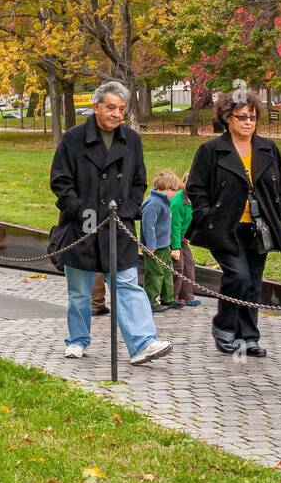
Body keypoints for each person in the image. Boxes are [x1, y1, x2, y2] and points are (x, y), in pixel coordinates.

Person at [49, 80, 172, 365]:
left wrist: (128, 209)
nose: (117, 114)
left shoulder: (132, 140)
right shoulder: (74, 139)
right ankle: (77, 339)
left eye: (121, 109)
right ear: (96, 107)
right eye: (111, 107)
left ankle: (142, 342)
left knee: (128, 283)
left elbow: (139, 180)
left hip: (119, 224)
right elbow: (61, 182)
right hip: (82, 225)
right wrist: (80, 210)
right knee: (79, 290)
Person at [185, 90, 281, 357]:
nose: (248, 122)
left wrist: (280, 214)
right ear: (227, 118)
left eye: (253, 118)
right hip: (224, 227)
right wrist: (207, 218)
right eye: (242, 117)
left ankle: (248, 337)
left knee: (253, 282)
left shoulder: (267, 148)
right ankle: (224, 327)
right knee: (238, 275)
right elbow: (196, 189)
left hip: (259, 228)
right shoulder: (211, 150)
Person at [140, 170, 181, 311]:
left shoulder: (164, 202)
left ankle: (167, 298)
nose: (175, 193)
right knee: (155, 274)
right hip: (154, 247)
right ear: (165, 188)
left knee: (167, 271)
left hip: (164, 245)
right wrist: (151, 245)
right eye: (174, 190)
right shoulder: (153, 203)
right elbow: (148, 226)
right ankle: (150, 301)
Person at [171, 172, 200, 308]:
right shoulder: (178, 202)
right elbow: (174, 226)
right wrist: (175, 247)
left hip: (184, 238)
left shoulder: (194, 200)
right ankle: (173, 297)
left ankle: (187, 295)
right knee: (178, 266)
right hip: (175, 237)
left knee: (189, 265)